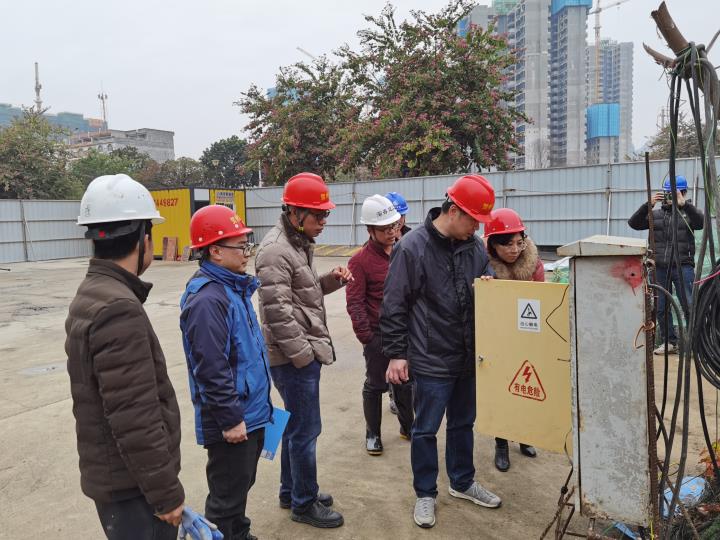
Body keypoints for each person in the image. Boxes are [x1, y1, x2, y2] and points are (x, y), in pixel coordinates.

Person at [65, 174, 184, 539]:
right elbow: (135, 416)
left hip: (119, 480)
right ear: (143, 237)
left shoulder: (93, 291)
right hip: (134, 489)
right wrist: (166, 495)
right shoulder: (118, 307)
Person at [381, 174, 502, 529]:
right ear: (453, 211)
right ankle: (425, 492)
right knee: (425, 428)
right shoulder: (411, 248)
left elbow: (487, 278)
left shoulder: (474, 247)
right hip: (431, 356)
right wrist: (397, 353)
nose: (477, 228)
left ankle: (462, 482)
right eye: (474, 220)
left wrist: (489, 285)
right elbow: (394, 305)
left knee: (463, 423)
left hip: (467, 355)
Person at [255, 172, 351, 529]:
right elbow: (277, 313)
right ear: (294, 213)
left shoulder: (297, 244)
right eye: (318, 215)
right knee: (306, 430)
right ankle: (304, 503)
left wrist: (332, 281)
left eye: (325, 215)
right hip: (292, 358)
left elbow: (302, 295)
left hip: (299, 353)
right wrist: (304, 357)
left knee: (296, 427)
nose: (323, 222)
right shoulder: (276, 250)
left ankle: (291, 490)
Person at [179, 205, 273, 540]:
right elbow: (211, 369)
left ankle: (238, 532)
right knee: (225, 497)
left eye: (248, 245)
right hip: (232, 417)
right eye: (241, 246)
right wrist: (231, 419)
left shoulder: (233, 288)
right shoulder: (208, 300)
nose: (247, 253)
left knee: (240, 485)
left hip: (250, 410)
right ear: (215, 251)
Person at [346, 195, 414, 456]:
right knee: (376, 385)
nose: (391, 232)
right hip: (378, 336)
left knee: (405, 382)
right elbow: (355, 304)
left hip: (404, 334)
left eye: (394, 226)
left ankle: (408, 426)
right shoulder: (360, 261)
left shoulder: (404, 252)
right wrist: (368, 338)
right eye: (384, 228)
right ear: (370, 230)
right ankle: (372, 433)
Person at [483, 208, 543, 472]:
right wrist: (485, 287)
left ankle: (526, 435)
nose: (515, 249)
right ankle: (501, 443)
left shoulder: (534, 264)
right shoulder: (483, 265)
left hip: (527, 334)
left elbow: (541, 299)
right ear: (493, 245)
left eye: (519, 242)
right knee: (501, 390)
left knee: (526, 388)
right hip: (496, 336)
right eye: (507, 244)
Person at [628, 175, 704, 354]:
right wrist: (648, 205)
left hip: (683, 266)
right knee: (661, 306)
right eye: (667, 193)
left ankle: (695, 344)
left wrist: (685, 205)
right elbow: (634, 223)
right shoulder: (655, 215)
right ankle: (670, 342)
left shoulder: (689, 213)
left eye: (674, 193)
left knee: (689, 304)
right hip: (659, 267)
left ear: (683, 193)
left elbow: (701, 223)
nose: (669, 197)